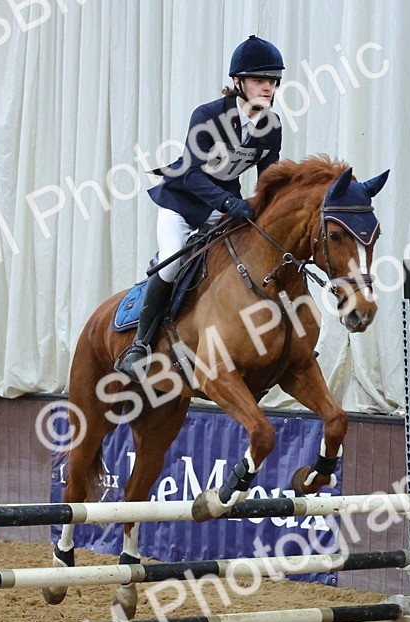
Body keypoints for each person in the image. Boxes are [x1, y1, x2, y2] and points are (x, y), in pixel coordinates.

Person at [116, 34, 285, 379]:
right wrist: (228, 202)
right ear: (237, 83)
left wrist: (267, 209)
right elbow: (192, 173)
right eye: (259, 80)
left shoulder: (271, 126)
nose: (267, 87)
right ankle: (140, 345)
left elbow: (269, 178)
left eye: (272, 81)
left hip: (225, 208)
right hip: (183, 204)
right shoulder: (208, 116)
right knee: (173, 260)